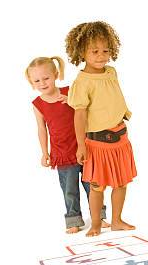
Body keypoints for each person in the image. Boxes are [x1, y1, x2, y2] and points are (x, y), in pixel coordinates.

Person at [65, 21, 137, 237]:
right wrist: (80, 145)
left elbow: (112, 100)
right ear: (82, 52)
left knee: (122, 182)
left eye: (105, 50)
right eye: (94, 51)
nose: (101, 56)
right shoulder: (82, 81)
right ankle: (96, 223)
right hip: (97, 143)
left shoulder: (111, 72)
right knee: (97, 186)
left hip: (120, 138)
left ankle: (116, 220)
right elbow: (79, 115)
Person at [26, 56, 108, 233]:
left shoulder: (71, 91)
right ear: (31, 82)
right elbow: (42, 129)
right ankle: (73, 221)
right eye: (37, 80)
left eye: (46, 78)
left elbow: (88, 111)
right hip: (62, 153)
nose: (42, 83)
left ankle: (99, 217)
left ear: (55, 75)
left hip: (84, 147)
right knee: (69, 190)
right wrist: (44, 152)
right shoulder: (38, 104)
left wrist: (70, 101)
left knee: (93, 185)